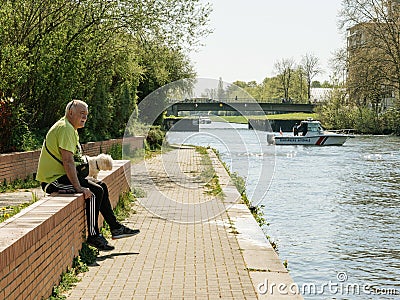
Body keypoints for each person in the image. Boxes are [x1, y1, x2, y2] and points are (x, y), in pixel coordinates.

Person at [36, 100, 139, 251]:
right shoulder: (65, 129)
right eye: (81, 113)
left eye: (86, 114)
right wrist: (79, 187)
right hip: (52, 180)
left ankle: (116, 228)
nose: (85, 117)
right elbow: (68, 161)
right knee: (94, 192)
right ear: (70, 113)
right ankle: (93, 235)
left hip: (61, 175)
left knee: (101, 185)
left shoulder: (69, 128)